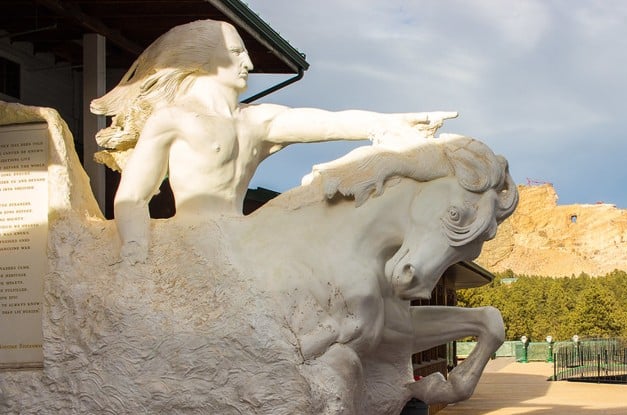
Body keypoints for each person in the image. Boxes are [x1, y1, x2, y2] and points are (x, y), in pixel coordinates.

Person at [90, 19, 456, 264]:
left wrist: (393, 124)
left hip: (243, 238)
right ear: (203, 59)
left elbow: (330, 122)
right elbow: (132, 197)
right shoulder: (173, 118)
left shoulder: (258, 121)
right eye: (236, 53)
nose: (248, 61)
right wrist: (136, 250)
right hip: (193, 245)